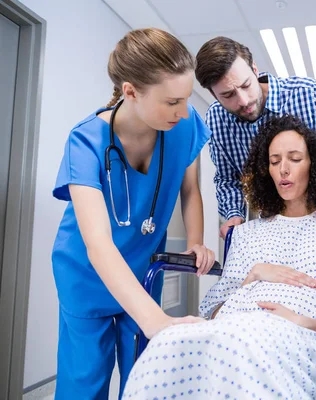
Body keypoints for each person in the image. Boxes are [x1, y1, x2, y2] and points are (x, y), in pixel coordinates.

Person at [122, 115, 316, 399]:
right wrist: (253, 276)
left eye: (295, 159)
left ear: (315, 166)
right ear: (265, 171)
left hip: (304, 341)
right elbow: (211, 312)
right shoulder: (247, 234)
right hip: (232, 329)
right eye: (274, 162)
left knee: (239, 347)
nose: (283, 169)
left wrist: (309, 324)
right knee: (168, 343)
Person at [51, 28, 217, 399]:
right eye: (172, 101)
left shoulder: (184, 124)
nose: (183, 111)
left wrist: (195, 241)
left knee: (145, 377)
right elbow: (98, 246)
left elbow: (189, 190)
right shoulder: (85, 143)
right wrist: (155, 319)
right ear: (130, 92)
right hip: (87, 273)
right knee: (85, 384)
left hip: (143, 271)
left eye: (187, 98)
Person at [194, 36, 316, 237]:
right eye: (228, 95)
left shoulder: (310, 95)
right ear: (214, 95)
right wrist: (233, 213)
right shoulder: (217, 119)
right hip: (271, 224)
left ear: (254, 69)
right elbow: (227, 179)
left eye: (246, 85)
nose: (243, 101)